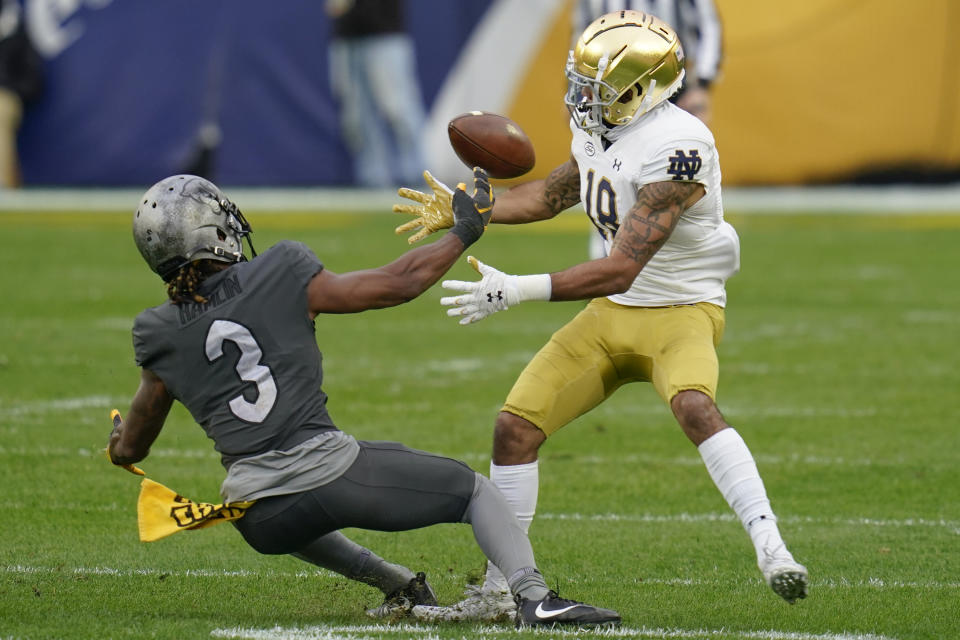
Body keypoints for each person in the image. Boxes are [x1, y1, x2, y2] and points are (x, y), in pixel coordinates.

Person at [393, 10, 808, 622]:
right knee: (514, 430)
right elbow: (560, 191)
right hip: (611, 316)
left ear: (645, 89)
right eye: (581, 83)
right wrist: (476, 210)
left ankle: (771, 546)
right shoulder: (606, 124)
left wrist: (516, 289)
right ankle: (502, 589)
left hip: (679, 310)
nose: (583, 98)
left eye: (600, 88)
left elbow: (621, 267)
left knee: (694, 405)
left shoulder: (681, 147)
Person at [106, 172, 620, 629]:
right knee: (476, 492)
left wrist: (117, 447)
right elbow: (397, 284)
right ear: (216, 232)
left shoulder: (157, 331)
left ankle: (400, 585)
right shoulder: (279, 268)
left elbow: (131, 448)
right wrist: (465, 230)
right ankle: (534, 597)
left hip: (257, 515)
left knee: (286, 508)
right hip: (331, 475)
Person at [574, 1, 723, 260]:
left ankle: (663, 259)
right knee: (605, 171)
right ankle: (607, 251)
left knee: (665, 172)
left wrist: (702, 83)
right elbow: (581, 35)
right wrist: (580, 90)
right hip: (609, 91)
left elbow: (708, 26)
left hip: (670, 89)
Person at [326, 0, 427, 188]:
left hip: (384, 33)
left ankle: (417, 174)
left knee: (398, 109)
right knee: (357, 115)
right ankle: (374, 179)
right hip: (347, 36)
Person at [0, 0, 43, 188]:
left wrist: (9, 88)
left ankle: (4, 192)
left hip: (5, 97)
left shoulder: (11, 22)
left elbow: (31, 77)